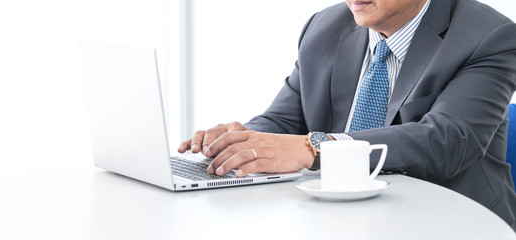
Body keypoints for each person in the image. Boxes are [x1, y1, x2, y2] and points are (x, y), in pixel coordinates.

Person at [178, 0, 516, 229]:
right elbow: (282, 121)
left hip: (450, 222)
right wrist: (242, 142)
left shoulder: (487, 36)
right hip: (337, 219)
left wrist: (318, 147)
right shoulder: (324, 26)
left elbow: (447, 140)